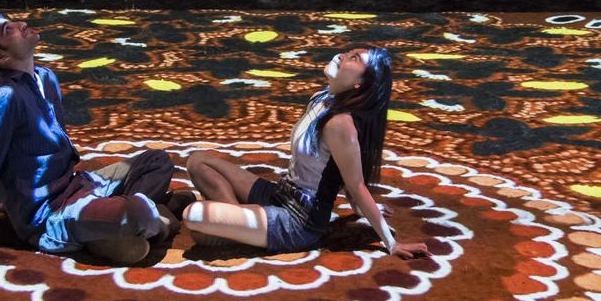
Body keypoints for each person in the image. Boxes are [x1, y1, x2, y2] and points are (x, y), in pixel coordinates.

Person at [0, 9, 191, 268]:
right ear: (0, 56)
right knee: (137, 216)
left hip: (79, 185)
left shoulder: (46, 77)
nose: (21, 23)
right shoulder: (3, 99)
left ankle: (115, 226)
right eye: (9, 29)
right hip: (49, 213)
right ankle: (129, 220)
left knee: (157, 161)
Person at [182, 47, 428, 259]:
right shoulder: (320, 99)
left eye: (353, 58)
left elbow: (356, 183)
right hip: (281, 193)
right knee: (198, 162)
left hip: (300, 221)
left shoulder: (341, 124)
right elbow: (336, 169)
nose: (341, 56)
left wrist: (390, 242)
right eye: (347, 52)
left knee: (192, 214)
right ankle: (234, 228)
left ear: (360, 83)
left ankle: (233, 227)